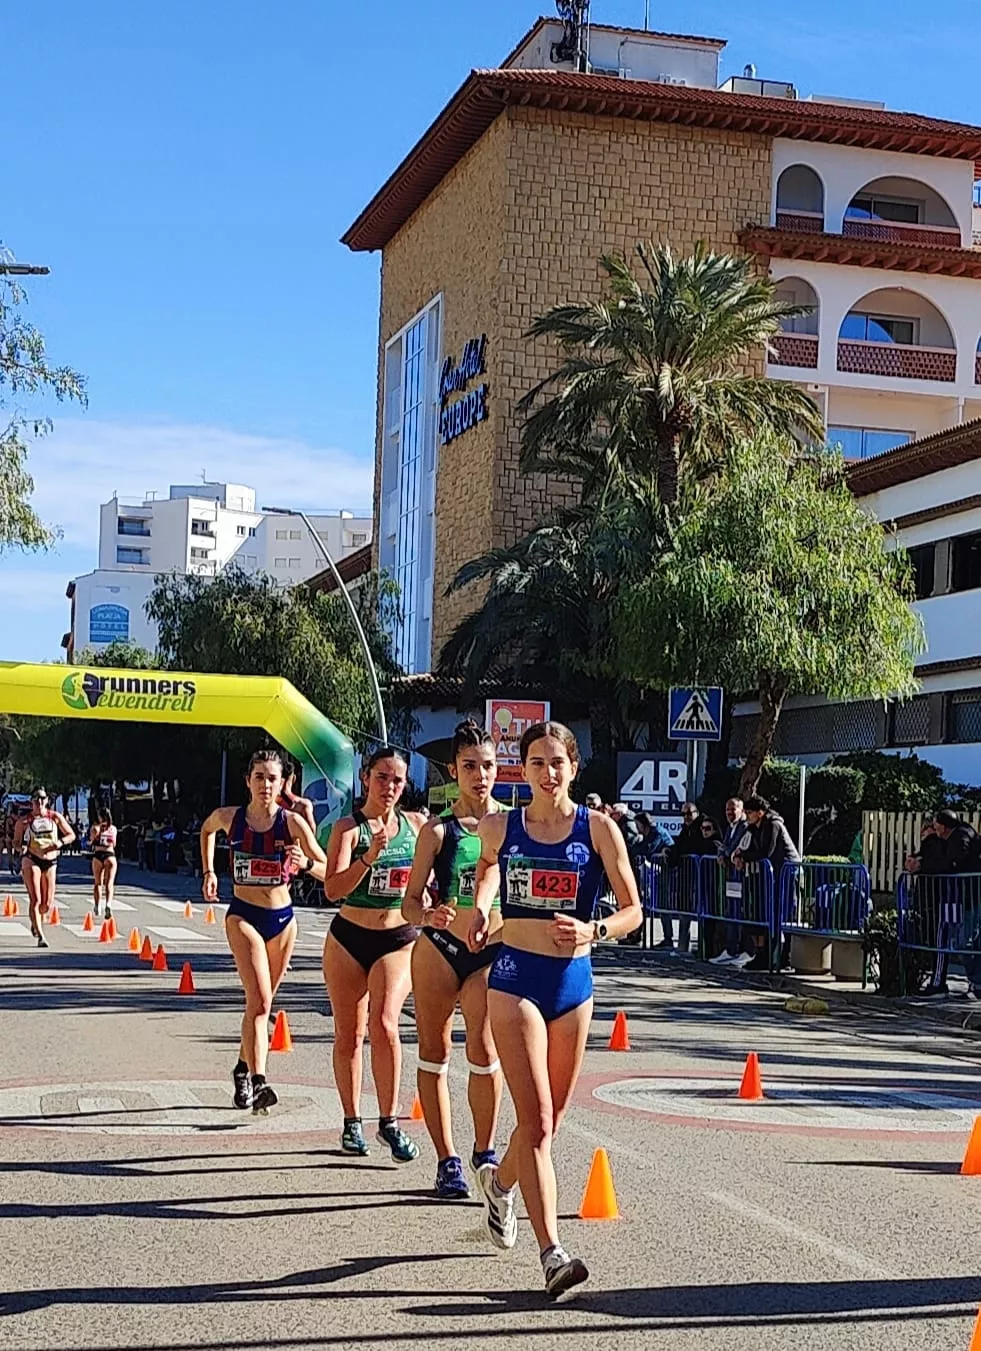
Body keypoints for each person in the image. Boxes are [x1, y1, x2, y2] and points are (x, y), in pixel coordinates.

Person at [469, 721, 642, 1299]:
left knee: (549, 1122)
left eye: (557, 762)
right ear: (525, 770)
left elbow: (633, 911)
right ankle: (552, 1255)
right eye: (537, 762)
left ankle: (498, 1184)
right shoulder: (502, 826)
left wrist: (595, 928)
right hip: (515, 976)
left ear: (573, 768)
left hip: (573, 984)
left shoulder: (598, 830)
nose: (548, 773)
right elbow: (487, 867)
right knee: (537, 1120)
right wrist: (480, 908)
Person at [402, 720, 504, 1200]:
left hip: (492, 951)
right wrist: (429, 913)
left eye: (486, 766)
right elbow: (408, 903)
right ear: (453, 771)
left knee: (483, 1051)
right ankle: (447, 1160)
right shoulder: (438, 830)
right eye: (469, 767)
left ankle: (485, 1149)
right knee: (434, 1050)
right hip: (440, 951)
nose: (479, 776)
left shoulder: (511, 824)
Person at [200, 748, 325, 1114]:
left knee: (261, 1005)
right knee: (259, 1001)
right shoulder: (231, 818)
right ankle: (260, 1081)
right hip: (243, 915)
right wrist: (208, 871)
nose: (266, 785)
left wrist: (306, 864)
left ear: (282, 783)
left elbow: (326, 867)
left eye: (272, 778)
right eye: (259, 778)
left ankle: (242, 1068)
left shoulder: (293, 824)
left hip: (283, 920)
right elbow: (207, 828)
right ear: (248, 782)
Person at [323, 746, 427, 1161]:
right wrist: (369, 856)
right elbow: (333, 889)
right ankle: (352, 1121)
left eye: (397, 780)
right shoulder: (349, 829)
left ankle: (389, 1120)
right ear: (366, 777)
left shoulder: (416, 825)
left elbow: (429, 878)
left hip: (398, 936)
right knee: (350, 1033)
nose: (389, 787)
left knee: (385, 1022)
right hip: (349, 936)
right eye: (382, 777)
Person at [733, 795, 802, 971]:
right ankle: (763, 955)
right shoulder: (754, 827)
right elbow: (750, 847)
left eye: (750, 812)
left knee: (785, 914)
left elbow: (767, 851)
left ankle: (785, 957)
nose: (747, 815)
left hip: (786, 871)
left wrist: (746, 857)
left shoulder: (773, 825)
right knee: (764, 914)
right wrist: (739, 855)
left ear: (760, 813)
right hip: (770, 874)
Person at [14, 789, 75, 948]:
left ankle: (35, 923)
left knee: (46, 904)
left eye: (42, 798)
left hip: (50, 860)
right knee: (36, 899)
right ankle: (41, 936)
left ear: (47, 800)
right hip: (31, 859)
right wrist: (23, 849)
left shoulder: (54, 817)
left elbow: (71, 835)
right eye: (36, 799)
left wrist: (59, 843)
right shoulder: (24, 821)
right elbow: (15, 842)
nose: (39, 802)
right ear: (31, 802)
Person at [710, 797, 755, 969]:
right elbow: (725, 846)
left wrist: (726, 853)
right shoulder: (730, 828)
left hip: (742, 877)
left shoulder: (745, 827)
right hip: (731, 878)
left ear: (741, 810)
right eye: (727, 810)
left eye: (733, 809)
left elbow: (735, 848)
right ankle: (730, 950)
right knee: (732, 912)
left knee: (741, 914)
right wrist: (722, 854)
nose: (730, 813)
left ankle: (744, 950)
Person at [656, 802, 704, 952]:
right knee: (684, 909)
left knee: (701, 911)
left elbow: (693, 847)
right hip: (686, 876)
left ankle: (702, 947)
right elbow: (679, 847)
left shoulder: (701, 826)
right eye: (683, 815)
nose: (686, 817)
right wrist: (669, 851)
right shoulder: (685, 829)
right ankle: (683, 945)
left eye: (689, 814)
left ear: (696, 812)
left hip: (700, 874)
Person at [88, 808, 118, 919]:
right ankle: (108, 904)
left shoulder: (95, 828)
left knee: (98, 883)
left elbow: (91, 841)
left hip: (98, 855)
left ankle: (97, 906)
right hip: (110, 855)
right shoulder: (113, 829)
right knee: (109, 883)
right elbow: (114, 843)